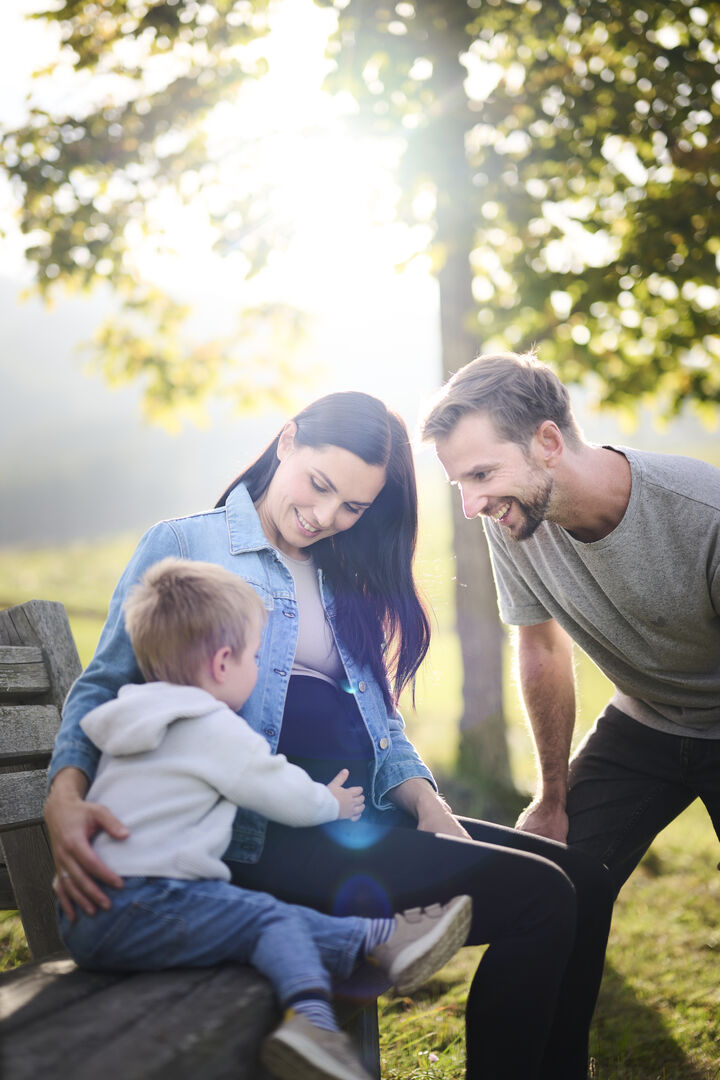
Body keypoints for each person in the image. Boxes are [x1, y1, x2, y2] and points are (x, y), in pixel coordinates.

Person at [45, 390, 610, 1080]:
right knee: (541, 900)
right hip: (269, 835)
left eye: (353, 507)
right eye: (318, 486)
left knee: (584, 876)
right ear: (286, 443)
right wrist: (63, 795)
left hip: (358, 818)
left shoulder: (345, 572)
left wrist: (429, 807)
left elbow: (380, 722)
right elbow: (102, 685)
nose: (323, 517)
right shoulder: (187, 545)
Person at [59, 556, 473, 1080]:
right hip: (148, 901)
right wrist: (332, 803)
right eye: (257, 657)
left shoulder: (132, 718)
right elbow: (276, 789)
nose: (258, 672)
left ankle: (378, 937)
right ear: (222, 663)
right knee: (267, 917)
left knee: (263, 918)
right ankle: (311, 1022)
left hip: (88, 912)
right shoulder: (210, 726)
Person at [422, 349, 720, 1058]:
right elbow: (543, 648)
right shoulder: (516, 521)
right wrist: (553, 793)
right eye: (460, 483)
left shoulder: (702, 514)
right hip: (643, 718)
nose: (471, 504)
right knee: (551, 884)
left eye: (481, 475)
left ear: (549, 442)